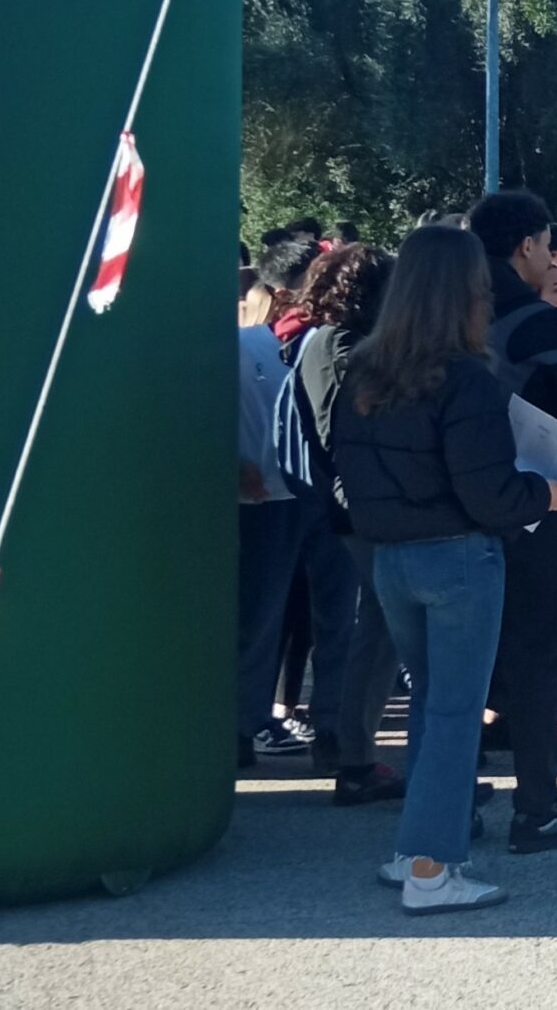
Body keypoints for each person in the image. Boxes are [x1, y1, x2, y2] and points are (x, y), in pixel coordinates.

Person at [327, 223, 557, 914]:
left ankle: (414, 848)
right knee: (456, 708)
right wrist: (546, 494)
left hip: (391, 557)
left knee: (434, 703)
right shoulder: (464, 376)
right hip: (460, 554)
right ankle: (431, 868)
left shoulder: (362, 371)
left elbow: (342, 469)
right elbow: (489, 490)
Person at [467, 189, 557, 855]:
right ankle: (538, 804)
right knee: (541, 657)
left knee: (460, 667)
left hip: (453, 515)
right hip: (534, 510)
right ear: (526, 244)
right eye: (547, 245)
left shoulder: (438, 318)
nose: (551, 259)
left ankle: (453, 800)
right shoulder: (540, 327)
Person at [281, 242, 409, 803]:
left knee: (377, 626)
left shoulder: (323, 341)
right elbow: (345, 433)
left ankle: (353, 747)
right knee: (382, 628)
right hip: (362, 503)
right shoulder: (343, 348)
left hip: (349, 501)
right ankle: (354, 752)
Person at [237, 235, 321, 767]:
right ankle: (242, 725)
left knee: (276, 619)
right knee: (257, 618)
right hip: (258, 503)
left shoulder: (276, 344)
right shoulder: (248, 345)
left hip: (292, 495)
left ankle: (253, 721)